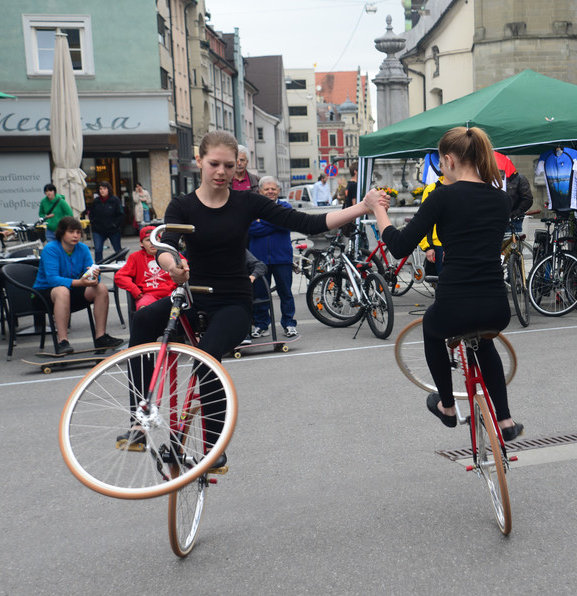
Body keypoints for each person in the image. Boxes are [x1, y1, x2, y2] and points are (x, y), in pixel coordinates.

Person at [125, 130, 386, 466]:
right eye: (214, 164)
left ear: (237, 167)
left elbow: (308, 222)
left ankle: (213, 449)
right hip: (193, 296)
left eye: (229, 165)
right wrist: (173, 266)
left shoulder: (247, 202)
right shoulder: (182, 205)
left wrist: (362, 206)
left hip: (234, 302)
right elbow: (166, 247)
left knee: (207, 357)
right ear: (200, 161)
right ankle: (138, 419)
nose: (221, 171)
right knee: (144, 320)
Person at [366, 126, 524, 441]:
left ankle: (448, 407)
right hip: (496, 306)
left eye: (440, 163)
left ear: (449, 160)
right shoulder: (501, 199)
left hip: (455, 305)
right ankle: (505, 421)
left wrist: (378, 210)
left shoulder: (442, 196)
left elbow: (399, 245)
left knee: (432, 328)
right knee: (485, 343)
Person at [34, 216, 125, 355]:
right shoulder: (50, 249)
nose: (76, 235)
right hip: (44, 294)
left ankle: (101, 337)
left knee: (100, 288)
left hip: (71, 290)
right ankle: (63, 341)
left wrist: (94, 277)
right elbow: (53, 280)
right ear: (62, 233)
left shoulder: (82, 248)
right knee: (62, 291)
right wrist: (81, 282)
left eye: (78, 232)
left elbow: (91, 271)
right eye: (71, 232)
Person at [248, 175, 299, 339]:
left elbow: (286, 223)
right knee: (260, 294)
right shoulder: (252, 208)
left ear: (278, 190)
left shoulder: (285, 206)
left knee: (286, 293)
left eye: (273, 189)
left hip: (282, 258)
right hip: (259, 260)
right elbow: (251, 229)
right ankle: (261, 325)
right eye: (267, 189)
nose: (270, 191)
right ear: (260, 191)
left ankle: (289, 324)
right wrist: (276, 222)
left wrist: (262, 221)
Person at [114, 225, 179, 310]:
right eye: (148, 240)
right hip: (148, 294)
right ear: (141, 243)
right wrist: (134, 289)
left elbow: (187, 269)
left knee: (178, 307)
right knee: (143, 309)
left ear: (160, 241)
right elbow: (120, 276)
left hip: (171, 293)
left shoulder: (171, 254)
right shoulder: (135, 257)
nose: (152, 243)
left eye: (156, 239)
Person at [87, 181, 124, 262]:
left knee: (118, 250)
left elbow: (121, 214)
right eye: (100, 189)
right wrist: (93, 222)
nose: (102, 191)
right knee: (98, 250)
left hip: (113, 230)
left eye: (104, 188)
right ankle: (98, 266)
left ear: (108, 189)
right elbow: (91, 213)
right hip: (98, 230)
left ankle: (121, 265)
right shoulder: (96, 201)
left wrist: (115, 224)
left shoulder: (115, 200)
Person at [506, 169, 534, 234]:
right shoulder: (492, 178)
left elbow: (528, 199)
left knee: (513, 238)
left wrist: (515, 213)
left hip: (513, 220)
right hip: (496, 220)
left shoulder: (519, 178)